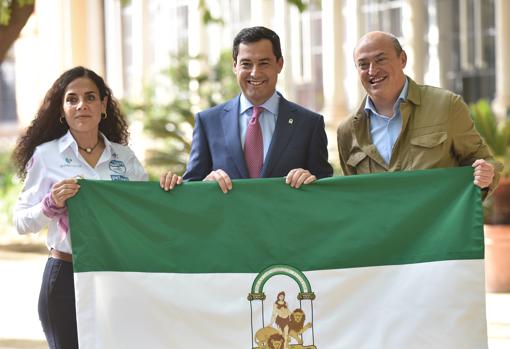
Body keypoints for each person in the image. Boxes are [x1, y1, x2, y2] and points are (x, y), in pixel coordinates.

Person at [12, 66, 181, 348]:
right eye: (72, 99)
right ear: (62, 109)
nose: (81, 105)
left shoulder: (125, 157)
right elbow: (21, 223)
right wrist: (50, 204)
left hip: (118, 275)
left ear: (103, 105)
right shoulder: (46, 156)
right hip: (65, 278)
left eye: (90, 97)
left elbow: (145, 215)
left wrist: (169, 188)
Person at [337, 31, 500, 193]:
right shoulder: (347, 130)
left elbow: (484, 162)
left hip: (436, 219)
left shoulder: (446, 105)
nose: (372, 70)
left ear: (402, 59)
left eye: (381, 59)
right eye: (363, 64)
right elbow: (352, 195)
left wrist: (487, 174)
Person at [183, 26, 333, 192]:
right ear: (234, 66)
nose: (255, 73)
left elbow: (326, 191)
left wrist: (311, 181)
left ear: (279, 64)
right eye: (246, 64)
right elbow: (191, 189)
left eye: (264, 63)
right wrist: (204, 184)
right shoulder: (208, 122)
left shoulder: (309, 124)